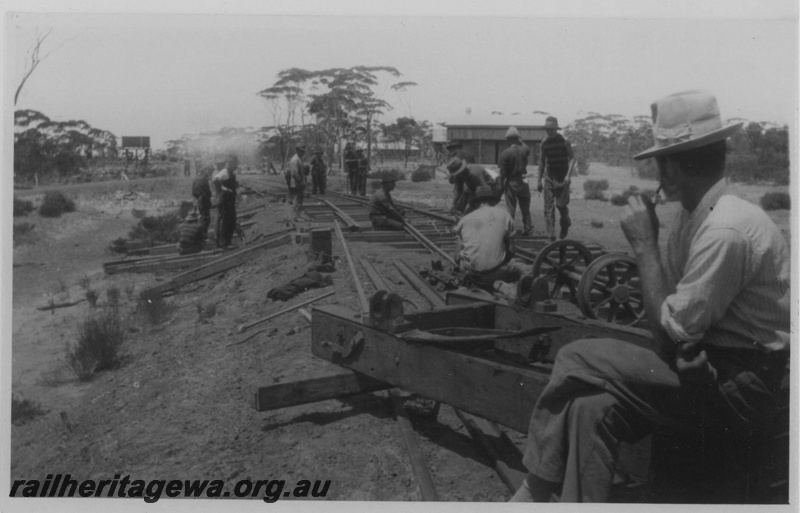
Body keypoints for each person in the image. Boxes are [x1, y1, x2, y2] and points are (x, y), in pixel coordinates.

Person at [510, 90, 790, 503]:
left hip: (741, 383)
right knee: (591, 409)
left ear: (671, 165)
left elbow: (670, 333)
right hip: (705, 363)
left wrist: (643, 245)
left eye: (659, 162)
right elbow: (669, 320)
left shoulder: (725, 229)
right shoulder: (694, 217)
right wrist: (655, 246)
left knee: (573, 356)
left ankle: (536, 488)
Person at [454, 185, 531, 288]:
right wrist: (501, 262)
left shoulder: (464, 220)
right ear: (492, 201)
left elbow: (456, 256)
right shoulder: (505, 215)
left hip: (473, 275)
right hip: (499, 273)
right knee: (521, 270)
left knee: (464, 263)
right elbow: (512, 250)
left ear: (476, 202)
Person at [537, 116, 574, 241]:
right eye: (547, 129)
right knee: (548, 208)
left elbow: (573, 158)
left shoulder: (564, 141)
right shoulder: (544, 143)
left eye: (552, 129)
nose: (549, 132)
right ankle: (551, 237)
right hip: (549, 175)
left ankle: (565, 223)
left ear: (556, 129)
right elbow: (542, 162)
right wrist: (539, 181)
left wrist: (568, 176)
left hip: (562, 176)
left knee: (561, 205)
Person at [498, 127, 533, 235]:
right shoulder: (523, 152)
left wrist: (501, 184)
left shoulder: (505, 153)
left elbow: (502, 172)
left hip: (511, 182)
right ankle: (528, 228)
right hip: (523, 182)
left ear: (508, 140)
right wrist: (520, 140)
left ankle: (510, 230)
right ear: (517, 139)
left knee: (511, 209)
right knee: (525, 209)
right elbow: (527, 148)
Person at [211, 155, 238, 248]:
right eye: (236, 163)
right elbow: (215, 179)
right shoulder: (225, 171)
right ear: (231, 163)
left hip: (229, 200)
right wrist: (224, 188)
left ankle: (227, 241)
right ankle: (224, 243)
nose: (237, 165)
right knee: (226, 221)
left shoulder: (230, 172)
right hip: (225, 200)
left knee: (232, 221)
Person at [287, 145, 307, 221]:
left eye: (303, 151)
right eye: (301, 151)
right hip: (296, 183)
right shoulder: (295, 159)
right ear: (297, 150)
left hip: (298, 183)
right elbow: (294, 173)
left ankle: (297, 215)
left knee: (299, 198)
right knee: (297, 199)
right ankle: (295, 216)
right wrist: (300, 181)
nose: (303, 152)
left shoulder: (299, 159)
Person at [191, 165, 213, 234]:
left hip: (199, 200)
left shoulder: (196, 177)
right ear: (206, 171)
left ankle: (201, 235)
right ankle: (203, 235)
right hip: (203, 200)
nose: (210, 174)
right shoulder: (203, 179)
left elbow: (193, 192)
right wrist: (205, 197)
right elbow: (207, 192)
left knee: (201, 217)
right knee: (205, 219)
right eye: (210, 172)